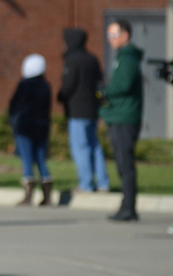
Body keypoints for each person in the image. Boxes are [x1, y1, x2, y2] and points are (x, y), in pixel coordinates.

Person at [57, 28, 109, 193]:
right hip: (93, 110)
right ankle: (103, 183)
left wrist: (60, 96)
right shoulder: (92, 59)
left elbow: (68, 86)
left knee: (80, 147)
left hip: (77, 111)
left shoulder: (72, 60)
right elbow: (100, 82)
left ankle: (86, 184)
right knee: (94, 146)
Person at [101, 20, 143, 222]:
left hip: (125, 117)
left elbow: (123, 85)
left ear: (125, 35)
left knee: (125, 163)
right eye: (109, 35)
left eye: (114, 34)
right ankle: (126, 205)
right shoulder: (122, 57)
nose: (110, 39)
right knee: (121, 163)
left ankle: (129, 207)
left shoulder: (128, 59)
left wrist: (104, 92)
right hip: (118, 115)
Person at [8, 54, 53, 206]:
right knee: (41, 159)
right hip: (42, 127)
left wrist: (13, 121)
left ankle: (28, 195)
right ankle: (47, 195)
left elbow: (14, 106)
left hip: (25, 127)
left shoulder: (25, 85)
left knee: (27, 160)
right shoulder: (46, 85)